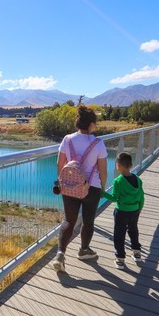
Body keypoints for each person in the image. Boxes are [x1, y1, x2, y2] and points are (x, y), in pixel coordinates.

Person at [52, 105, 108, 272]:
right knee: (88, 221)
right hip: (92, 188)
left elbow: (60, 164)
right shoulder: (98, 143)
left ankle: (60, 255)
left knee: (69, 221)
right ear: (91, 124)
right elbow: (103, 170)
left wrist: (62, 182)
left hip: (69, 186)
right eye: (95, 124)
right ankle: (84, 250)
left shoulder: (67, 140)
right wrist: (103, 188)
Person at [106, 152, 145, 269]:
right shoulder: (138, 179)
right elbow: (142, 196)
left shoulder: (118, 181)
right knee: (133, 230)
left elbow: (114, 198)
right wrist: (140, 208)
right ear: (131, 165)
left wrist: (101, 193)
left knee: (119, 234)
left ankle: (120, 258)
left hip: (121, 211)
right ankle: (137, 253)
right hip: (135, 211)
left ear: (118, 165)